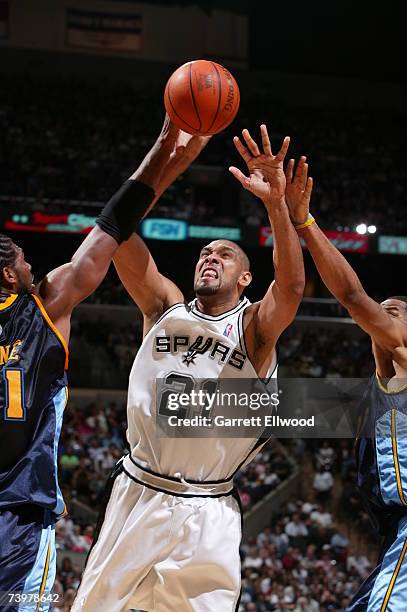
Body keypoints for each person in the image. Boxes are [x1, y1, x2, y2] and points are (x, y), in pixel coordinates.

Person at [71, 125, 305, 611]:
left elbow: (293, 286)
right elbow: (119, 233)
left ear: (245, 277)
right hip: (139, 491)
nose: (209, 257)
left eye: (223, 254)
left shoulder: (254, 330)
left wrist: (276, 204)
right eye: (204, 252)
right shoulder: (163, 307)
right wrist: (166, 163)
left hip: (210, 508)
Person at [0, 115, 209, 611]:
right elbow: (111, 227)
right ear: (10, 274)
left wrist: (168, 158)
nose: (35, 267)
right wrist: (163, 148)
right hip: (18, 514)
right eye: (26, 261)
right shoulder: (43, 307)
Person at [284, 156, 407, 611]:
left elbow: (353, 296)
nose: (382, 315)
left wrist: (305, 222)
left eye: (393, 312)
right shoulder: (384, 372)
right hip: (393, 532)